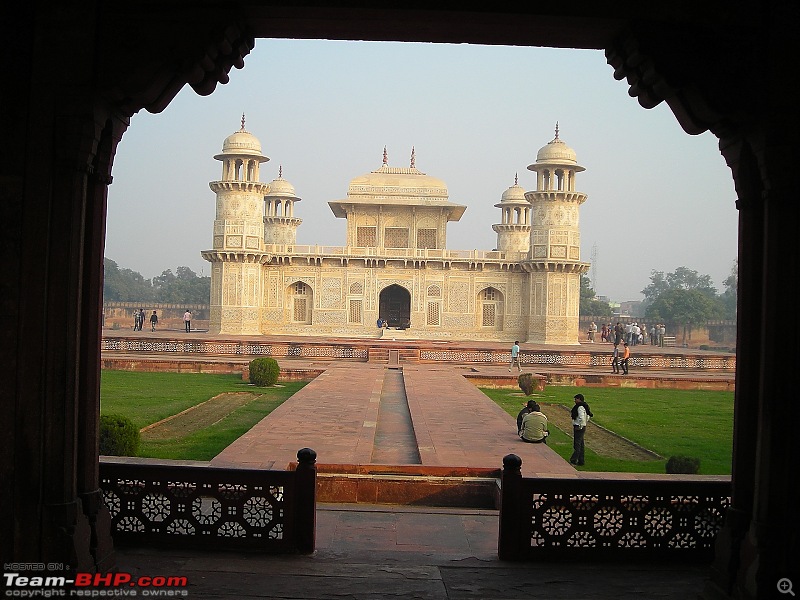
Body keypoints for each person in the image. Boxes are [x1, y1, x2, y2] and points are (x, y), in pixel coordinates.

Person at [569, 393, 593, 465]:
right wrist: (584, 423)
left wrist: (580, 426)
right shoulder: (585, 406)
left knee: (577, 444)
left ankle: (574, 459)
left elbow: (582, 417)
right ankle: (581, 460)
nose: (575, 401)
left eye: (576, 399)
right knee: (581, 444)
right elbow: (588, 415)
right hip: (582, 426)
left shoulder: (579, 407)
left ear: (579, 399)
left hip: (579, 427)